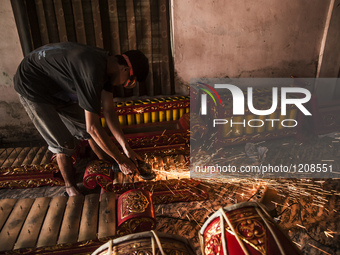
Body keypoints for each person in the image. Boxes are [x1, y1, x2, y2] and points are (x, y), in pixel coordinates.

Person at [14, 42, 149, 196]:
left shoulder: (108, 68)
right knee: (64, 143)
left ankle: (107, 166)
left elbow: (109, 112)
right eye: (130, 81)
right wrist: (122, 160)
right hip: (32, 85)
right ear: (125, 69)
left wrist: (126, 148)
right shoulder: (92, 73)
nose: (126, 84)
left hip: (57, 86)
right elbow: (93, 128)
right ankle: (70, 189)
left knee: (86, 127)